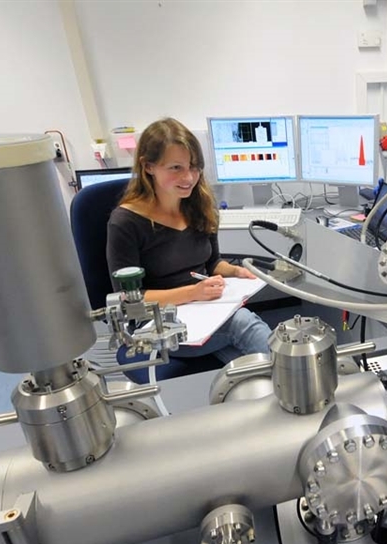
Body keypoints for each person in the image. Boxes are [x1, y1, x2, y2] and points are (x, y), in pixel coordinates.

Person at [106, 117, 272, 375]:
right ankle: (300, 384)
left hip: (203, 312)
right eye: (176, 168)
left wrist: (236, 271)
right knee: (244, 325)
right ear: (148, 166)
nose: (189, 177)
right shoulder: (126, 222)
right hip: (158, 324)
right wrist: (193, 293)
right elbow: (129, 301)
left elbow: (211, 263)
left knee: (252, 369)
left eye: (194, 167)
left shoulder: (199, 205)